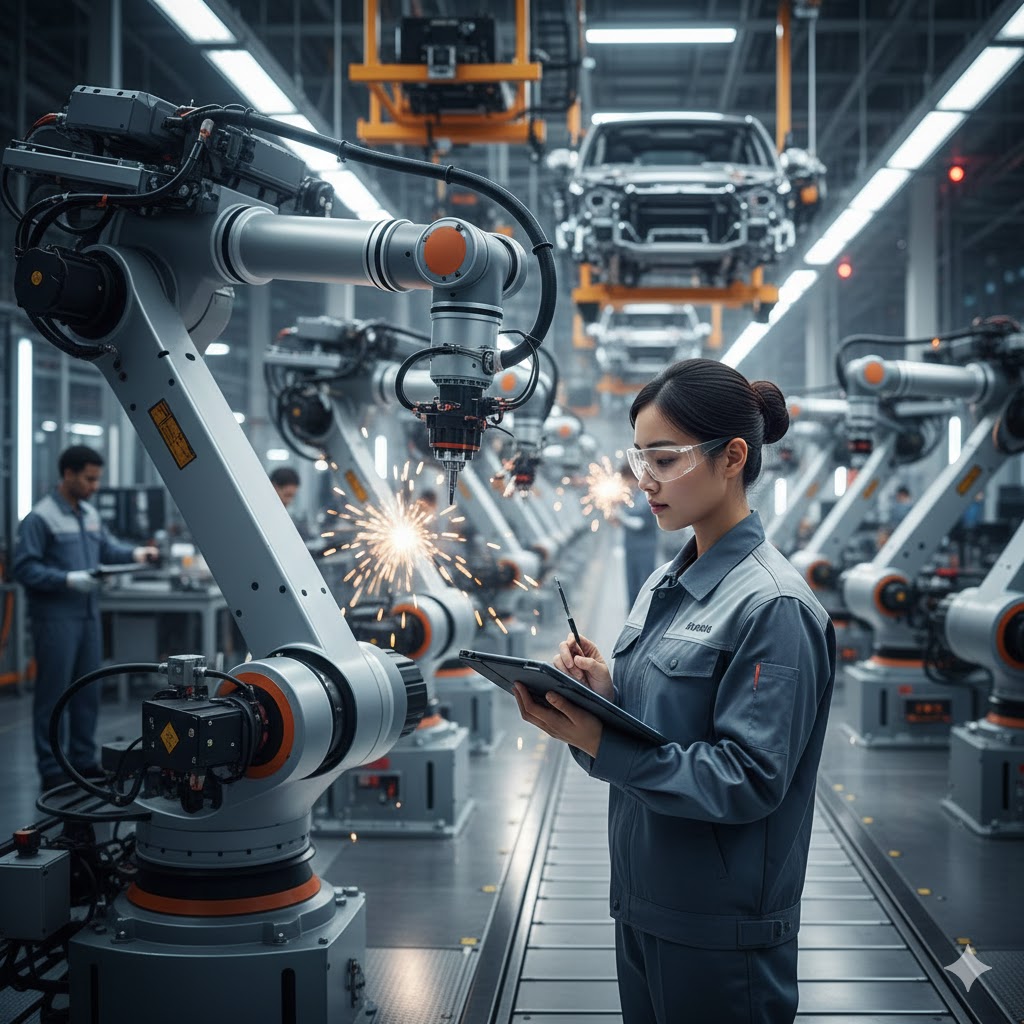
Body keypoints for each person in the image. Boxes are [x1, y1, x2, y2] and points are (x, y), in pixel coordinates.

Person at [512, 359, 837, 1023]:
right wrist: (602, 695)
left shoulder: (773, 607)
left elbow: (747, 778)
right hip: (643, 898)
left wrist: (604, 740)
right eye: (640, 460)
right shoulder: (665, 584)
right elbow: (665, 727)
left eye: (663, 459)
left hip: (720, 931)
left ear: (732, 457)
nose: (645, 482)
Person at [13, 446, 159, 791]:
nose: (95, 486)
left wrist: (138, 552)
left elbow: (106, 549)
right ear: (68, 475)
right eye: (89, 478)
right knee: (54, 694)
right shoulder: (41, 518)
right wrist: (66, 579)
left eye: (97, 479)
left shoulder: (89, 514)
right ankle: (51, 766)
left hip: (89, 616)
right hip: (55, 617)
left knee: (87, 692)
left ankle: (82, 759)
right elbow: (24, 567)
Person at [615, 462, 660, 607]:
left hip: (645, 548)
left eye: (627, 479)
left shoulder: (647, 497)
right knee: (631, 585)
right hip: (631, 547)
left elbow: (640, 523)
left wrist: (621, 516)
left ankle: (646, 620)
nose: (626, 483)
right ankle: (632, 620)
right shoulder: (630, 495)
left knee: (645, 586)